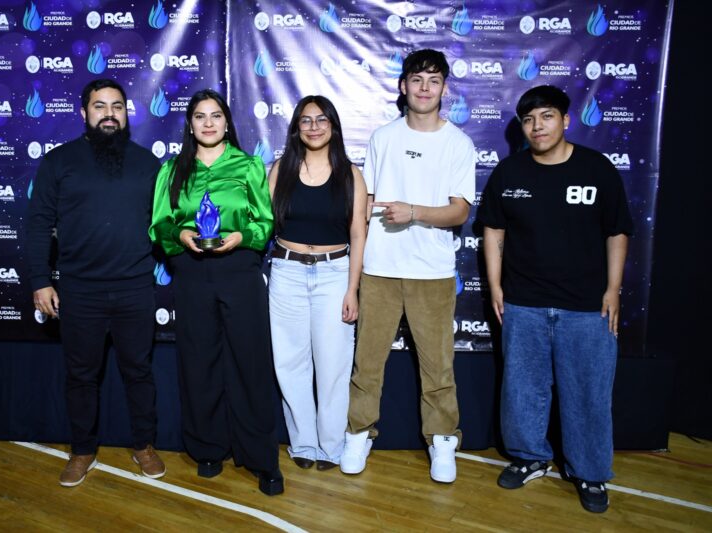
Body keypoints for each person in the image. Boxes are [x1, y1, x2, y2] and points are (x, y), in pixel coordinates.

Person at [478, 85, 632, 513]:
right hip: (524, 302)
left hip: (586, 307)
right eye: (529, 120)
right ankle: (530, 457)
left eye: (546, 116)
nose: (537, 126)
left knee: (588, 393)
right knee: (522, 389)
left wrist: (612, 289)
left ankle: (591, 472)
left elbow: (617, 231)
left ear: (565, 120)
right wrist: (496, 286)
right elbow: (493, 229)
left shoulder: (597, 168)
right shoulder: (509, 172)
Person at [340, 49, 475, 483]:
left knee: (438, 367)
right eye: (417, 79)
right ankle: (358, 433)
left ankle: (442, 440)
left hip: (432, 272)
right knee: (367, 363)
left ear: (444, 88)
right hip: (380, 268)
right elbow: (367, 203)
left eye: (433, 80)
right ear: (403, 86)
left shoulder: (458, 143)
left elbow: (460, 211)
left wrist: (414, 212)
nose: (424, 88)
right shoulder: (383, 137)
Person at [26, 79, 165, 487]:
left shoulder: (148, 164)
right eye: (100, 106)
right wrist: (40, 280)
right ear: (84, 112)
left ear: (126, 113)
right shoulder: (59, 161)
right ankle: (82, 450)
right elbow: (38, 224)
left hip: (135, 287)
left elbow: (166, 223)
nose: (109, 114)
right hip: (79, 290)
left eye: (117, 106)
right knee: (81, 376)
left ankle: (144, 445)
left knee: (139, 372)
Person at [149, 89, 282, 496]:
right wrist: (181, 235)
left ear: (227, 123)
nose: (208, 123)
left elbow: (265, 222)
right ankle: (207, 448)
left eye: (216, 115)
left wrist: (243, 235)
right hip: (191, 273)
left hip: (239, 270)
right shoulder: (172, 170)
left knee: (250, 364)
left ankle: (261, 458)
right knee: (198, 362)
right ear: (190, 125)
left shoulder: (249, 165)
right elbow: (159, 225)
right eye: (200, 116)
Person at [268, 96, 367, 471]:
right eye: (306, 120)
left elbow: (358, 234)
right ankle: (304, 444)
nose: (314, 127)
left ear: (333, 126)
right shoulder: (280, 169)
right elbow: (262, 221)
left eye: (321, 120)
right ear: (296, 128)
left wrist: (352, 289)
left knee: (333, 366)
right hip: (287, 271)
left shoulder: (350, 174)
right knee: (290, 363)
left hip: (334, 274)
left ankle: (331, 446)